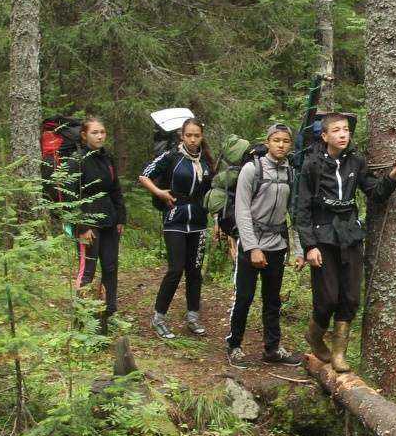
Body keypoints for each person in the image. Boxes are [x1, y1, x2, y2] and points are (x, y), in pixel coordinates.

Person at [293, 112, 396, 372]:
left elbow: (374, 193)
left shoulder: (356, 162)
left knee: (350, 297)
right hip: (322, 238)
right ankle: (314, 335)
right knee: (326, 299)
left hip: (350, 236)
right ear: (324, 136)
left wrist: (392, 176)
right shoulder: (312, 165)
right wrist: (309, 245)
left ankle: (338, 354)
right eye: (336, 130)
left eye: (345, 129)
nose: (343, 134)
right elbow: (301, 210)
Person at [227, 123, 304, 367]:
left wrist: (299, 249)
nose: (281, 145)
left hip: (277, 245)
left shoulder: (290, 173)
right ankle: (234, 345)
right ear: (268, 142)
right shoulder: (252, 169)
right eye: (276, 140)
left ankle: (272, 349)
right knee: (245, 297)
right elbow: (241, 210)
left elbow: (294, 214)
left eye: (285, 141)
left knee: (272, 300)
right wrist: (252, 247)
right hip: (252, 244)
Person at [139, 117, 213, 340]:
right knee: (175, 269)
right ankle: (159, 317)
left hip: (199, 221)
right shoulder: (171, 156)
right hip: (175, 218)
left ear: (201, 136)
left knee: (194, 270)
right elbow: (144, 175)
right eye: (188, 135)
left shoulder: (207, 161)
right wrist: (160, 193)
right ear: (182, 135)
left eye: (196, 135)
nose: (192, 139)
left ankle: (192, 316)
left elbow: (212, 191)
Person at [64, 116, 125, 335]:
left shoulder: (107, 158)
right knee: (87, 270)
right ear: (84, 135)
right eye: (95, 133)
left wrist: (120, 218)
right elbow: (70, 196)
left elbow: (115, 189)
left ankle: (110, 313)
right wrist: (81, 227)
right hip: (88, 224)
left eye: (102, 132)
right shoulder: (76, 161)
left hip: (109, 220)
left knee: (110, 268)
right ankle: (81, 319)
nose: (100, 136)